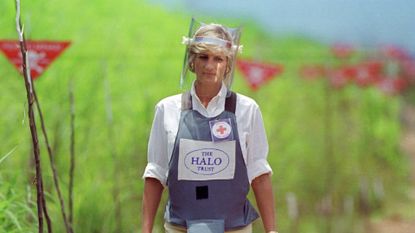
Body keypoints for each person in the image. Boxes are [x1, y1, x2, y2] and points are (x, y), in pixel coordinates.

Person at [142, 19, 277, 233]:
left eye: (218, 59)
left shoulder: (247, 110)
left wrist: (271, 231)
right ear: (191, 61)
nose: (209, 65)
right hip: (180, 228)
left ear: (227, 65)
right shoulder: (167, 109)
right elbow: (155, 175)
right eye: (203, 57)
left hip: (235, 228)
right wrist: (145, 230)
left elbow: (259, 174)